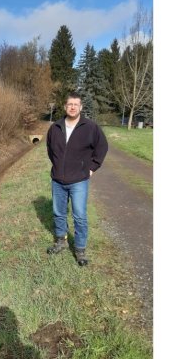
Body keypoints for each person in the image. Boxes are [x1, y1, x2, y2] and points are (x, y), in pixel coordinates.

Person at [45, 92, 108, 266]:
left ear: (80, 107)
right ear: (65, 106)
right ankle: (61, 241)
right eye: (69, 104)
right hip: (58, 179)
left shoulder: (90, 127)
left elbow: (102, 147)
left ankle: (80, 250)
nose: (72, 107)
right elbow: (51, 150)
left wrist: (92, 167)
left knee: (79, 216)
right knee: (58, 213)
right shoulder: (55, 127)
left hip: (79, 180)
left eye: (76, 104)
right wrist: (58, 165)